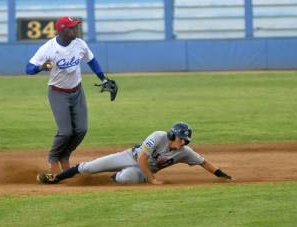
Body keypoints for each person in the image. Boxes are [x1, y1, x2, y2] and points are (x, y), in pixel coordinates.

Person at [26, 16, 117, 174]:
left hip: (77, 91)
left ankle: (65, 156)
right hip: (57, 93)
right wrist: (41, 67)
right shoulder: (49, 48)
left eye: (75, 27)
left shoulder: (79, 44)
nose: (75, 30)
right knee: (66, 131)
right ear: (62, 30)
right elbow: (28, 69)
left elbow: (91, 60)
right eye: (71, 28)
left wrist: (103, 79)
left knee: (81, 129)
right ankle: (53, 158)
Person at [37, 122, 232, 185]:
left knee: (127, 179)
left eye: (186, 140)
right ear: (172, 135)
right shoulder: (158, 136)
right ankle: (56, 178)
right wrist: (152, 179)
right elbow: (141, 158)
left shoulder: (184, 152)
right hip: (130, 156)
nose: (183, 143)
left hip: (139, 172)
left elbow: (204, 162)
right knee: (90, 167)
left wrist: (222, 175)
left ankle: (113, 178)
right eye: (181, 139)